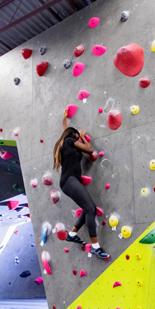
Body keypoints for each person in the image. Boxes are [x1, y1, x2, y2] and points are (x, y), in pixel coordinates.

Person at [53, 107, 109, 259]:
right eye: (77, 135)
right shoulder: (71, 141)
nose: (78, 138)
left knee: (88, 207)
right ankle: (96, 247)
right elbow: (89, 150)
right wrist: (83, 137)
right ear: (74, 135)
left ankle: (72, 234)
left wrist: (64, 118)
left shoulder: (66, 142)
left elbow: (65, 131)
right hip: (69, 181)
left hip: (69, 182)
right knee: (91, 209)